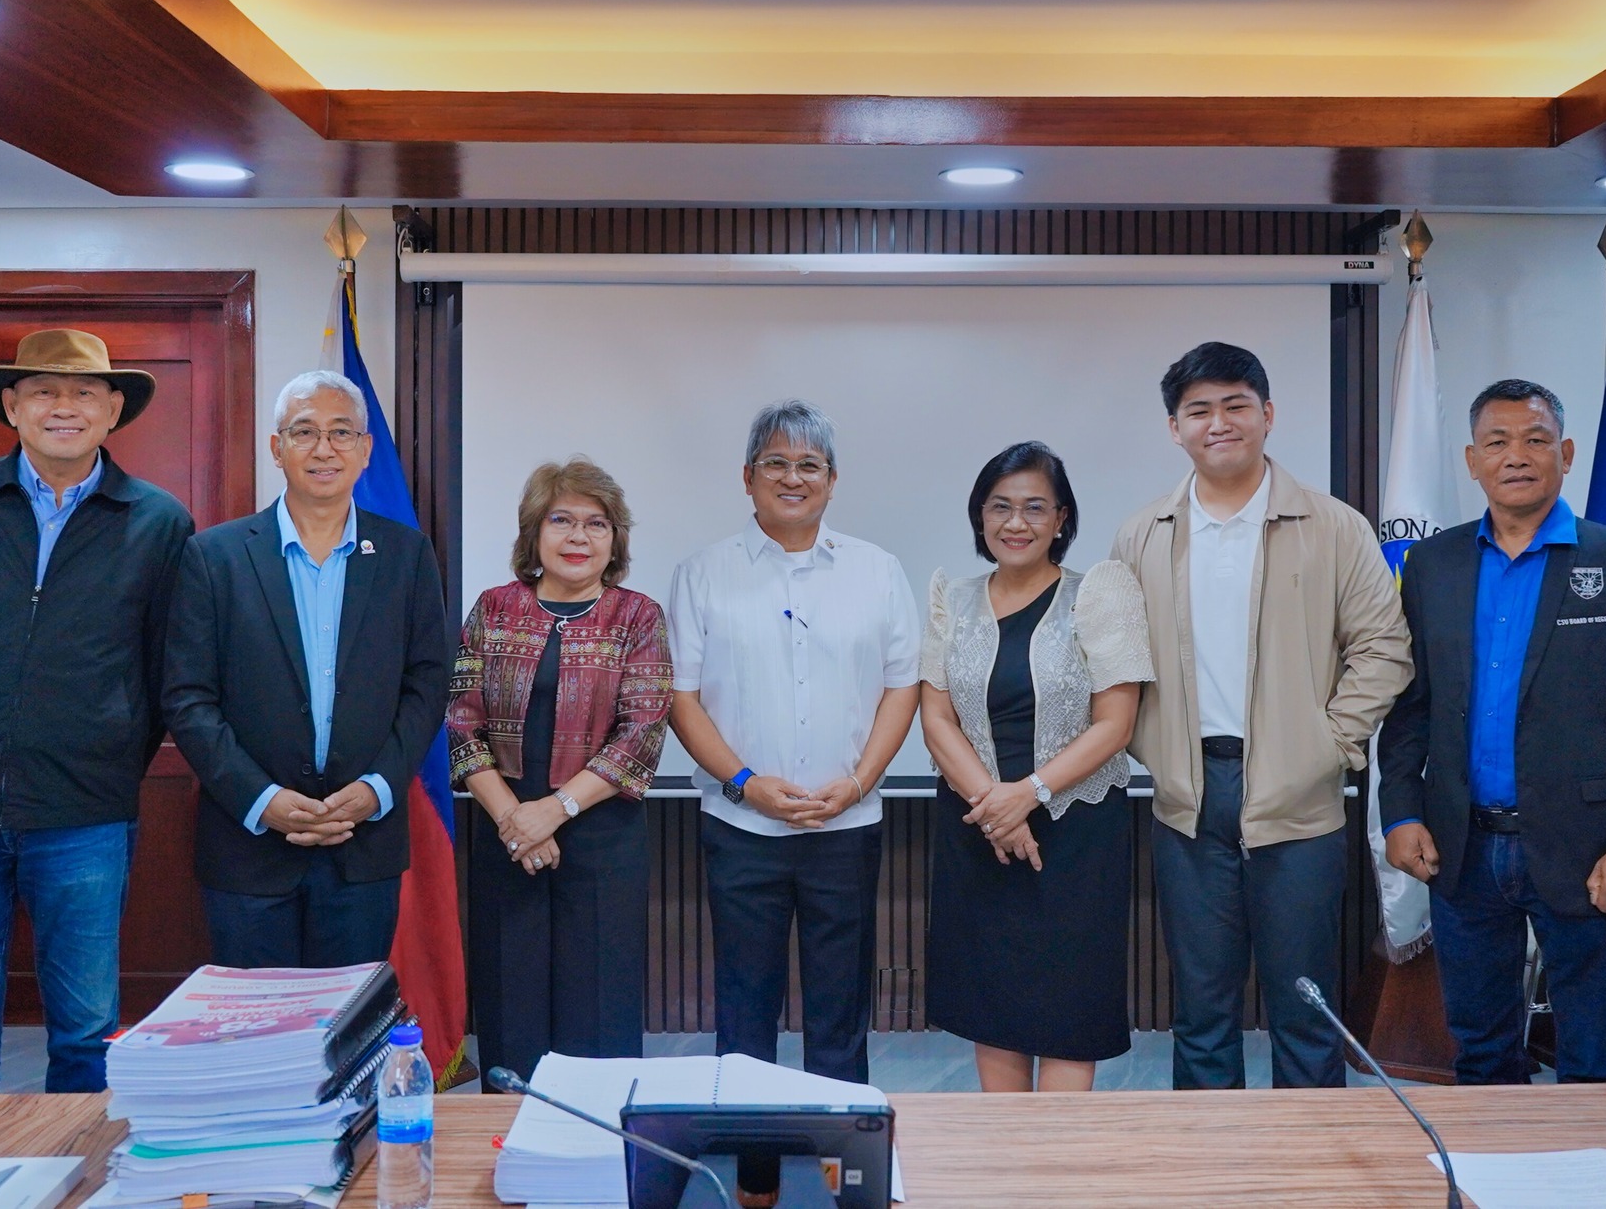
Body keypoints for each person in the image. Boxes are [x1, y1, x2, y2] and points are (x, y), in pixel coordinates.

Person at [0, 328, 193, 1094]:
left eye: (84, 392)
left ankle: (83, 1164)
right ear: (12, 407)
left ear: (113, 410)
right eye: (44, 391)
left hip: (86, 811)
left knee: (87, 1031)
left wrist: (107, 747)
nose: (65, 407)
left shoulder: (158, 520)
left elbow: (167, 666)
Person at [1112, 341, 1411, 1090]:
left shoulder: (1333, 526)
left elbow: (1383, 648)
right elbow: (1115, 663)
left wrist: (1327, 745)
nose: (1219, 423)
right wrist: (1151, 749)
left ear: (1268, 414)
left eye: (1235, 405)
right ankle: (1212, 1159)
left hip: (1300, 796)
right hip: (1188, 798)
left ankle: (1310, 1159)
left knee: (1306, 1008)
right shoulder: (1143, 533)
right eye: (1199, 411)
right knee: (1201, 1011)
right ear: (1174, 427)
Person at [1378, 378, 1606, 1084]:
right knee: (1481, 1051)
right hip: (1462, 849)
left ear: (1566, 453)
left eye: (1535, 439)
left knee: (1594, 1052)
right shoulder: (1434, 564)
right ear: (1472, 461)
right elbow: (1409, 704)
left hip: (1588, 853)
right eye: (1496, 442)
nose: (1515, 455)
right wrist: (1399, 811)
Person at [667, 399, 920, 1084]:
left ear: (832, 481)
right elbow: (682, 699)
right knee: (743, 1006)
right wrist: (746, 783)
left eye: (810, 465)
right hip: (741, 825)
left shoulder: (878, 570)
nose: (792, 477)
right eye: (775, 463)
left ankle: (840, 1144)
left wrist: (859, 783)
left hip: (846, 826)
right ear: (747, 476)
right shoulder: (702, 573)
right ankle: (745, 1146)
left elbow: (903, 687)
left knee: (841, 1009)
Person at [163, 370, 450, 968]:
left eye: (341, 432)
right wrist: (259, 797)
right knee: (256, 1022)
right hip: (247, 844)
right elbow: (188, 698)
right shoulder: (214, 556)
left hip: (362, 844)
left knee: (349, 1020)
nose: (324, 449)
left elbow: (426, 685)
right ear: (278, 447)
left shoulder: (407, 554)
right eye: (304, 432)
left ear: (365, 450)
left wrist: (376, 789)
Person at [920, 441, 1152, 1092]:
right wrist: (996, 807)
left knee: (1068, 1010)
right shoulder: (951, 599)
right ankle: (1007, 1150)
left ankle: (1058, 1154)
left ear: (1060, 518)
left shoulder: (1098, 594)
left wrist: (1029, 793)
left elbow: (1116, 723)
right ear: (980, 516)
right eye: (999, 507)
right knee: (994, 1007)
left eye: (1034, 508)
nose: (1015, 523)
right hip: (978, 829)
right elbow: (936, 718)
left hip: (1076, 834)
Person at [447, 457, 673, 1086]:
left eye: (596, 524)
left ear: (615, 539)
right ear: (534, 532)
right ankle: (506, 1135)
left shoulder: (637, 616)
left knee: (599, 1012)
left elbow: (642, 731)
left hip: (602, 837)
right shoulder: (494, 609)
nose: (579, 537)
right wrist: (516, 820)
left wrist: (553, 811)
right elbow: (460, 722)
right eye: (562, 520)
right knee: (509, 1005)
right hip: (505, 833)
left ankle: (594, 1137)